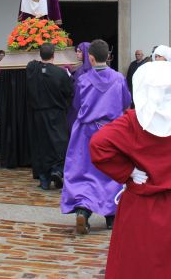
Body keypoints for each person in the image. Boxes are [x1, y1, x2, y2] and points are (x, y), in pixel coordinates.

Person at [89, 61, 171, 278]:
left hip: (141, 204)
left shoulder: (132, 124)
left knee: (137, 265)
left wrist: (127, 171)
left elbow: (98, 144)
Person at [61, 39, 131, 234]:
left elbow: (77, 104)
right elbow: (126, 102)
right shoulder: (118, 78)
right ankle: (111, 216)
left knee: (83, 171)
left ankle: (83, 209)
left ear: (90, 58)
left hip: (85, 131)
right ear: (107, 56)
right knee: (111, 171)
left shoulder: (83, 79)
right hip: (112, 131)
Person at [26, 43, 74, 189]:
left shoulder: (32, 70)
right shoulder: (60, 74)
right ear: (54, 55)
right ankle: (57, 170)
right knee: (59, 143)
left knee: (41, 145)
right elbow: (69, 93)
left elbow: (32, 63)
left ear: (40, 55)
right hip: (56, 113)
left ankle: (44, 179)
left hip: (38, 114)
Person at [67, 42, 91, 130]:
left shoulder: (85, 71)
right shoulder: (80, 69)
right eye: (77, 51)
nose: (77, 53)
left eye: (79, 51)